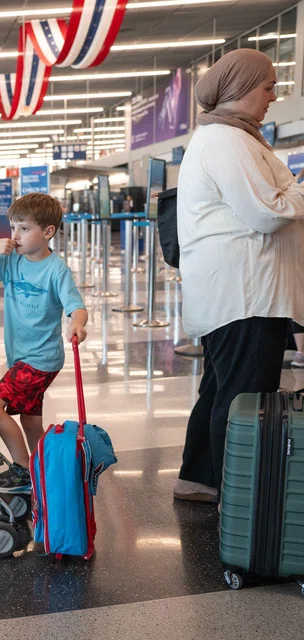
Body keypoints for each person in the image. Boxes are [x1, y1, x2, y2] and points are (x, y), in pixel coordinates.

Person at [175, 49, 304, 502]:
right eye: (267, 87)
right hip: (246, 295)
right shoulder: (227, 142)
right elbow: (268, 211)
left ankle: (201, 478)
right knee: (244, 398)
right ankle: (241, 500)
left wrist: (289, 192)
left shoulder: (230, 138)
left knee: (222, 388)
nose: (273, 96)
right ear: (240, 89)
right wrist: (299, 193)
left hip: (239, 294)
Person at [0, 193, 88, 493]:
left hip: (40, 358)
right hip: (21, 358)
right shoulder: (10, 261)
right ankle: (46, 471)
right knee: (31, 420)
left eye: (24, 228)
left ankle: (22, 471)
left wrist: (77, 324)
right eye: (13, 228)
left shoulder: (56, 269)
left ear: (47, 232)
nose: (15, 236)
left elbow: (76, 305)